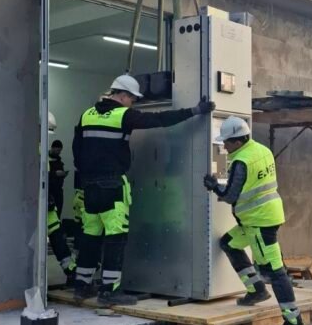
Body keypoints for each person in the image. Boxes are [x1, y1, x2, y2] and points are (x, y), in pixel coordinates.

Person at [73, 74, 214, 307]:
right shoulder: (123, 115)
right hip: (112, 186)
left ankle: (81, 286)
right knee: (115, 238)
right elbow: (159, 120)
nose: (133, 103)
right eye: (132, 99)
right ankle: (109, 291)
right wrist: (194, 111)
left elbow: (76, 149)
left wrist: (88, 174)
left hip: (89, 186)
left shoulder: (87, 115)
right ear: (123, 95)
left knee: (90, 236)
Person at [204, 116, 305, 325]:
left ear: (238, 141)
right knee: (228, 243)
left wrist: (213, 186)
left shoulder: (241, 162)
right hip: (262, 217)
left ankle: (294, 324)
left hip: (259, 223)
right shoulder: (261, 150)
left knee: (276, 273)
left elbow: (230, 196)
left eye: (227, 142)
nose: (224, 146)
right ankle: (257, 290)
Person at [47, 114, 76, 285]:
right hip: (40, 200)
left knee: (56, 234)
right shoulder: (39, 152)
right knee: (54, 235)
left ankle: (69, 269)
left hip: (49, 199)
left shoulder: (53, 158)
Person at [48, 139, 68, 218]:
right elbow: (42, 174)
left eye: (60, 151)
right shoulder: (45, 159)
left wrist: (63, 174)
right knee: (50, 214)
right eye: (58, 150)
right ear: (52, 148)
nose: (59, 152)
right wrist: (55, 174)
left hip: (58, 191)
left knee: (58, 213)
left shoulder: (59, 160)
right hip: (49, 191)